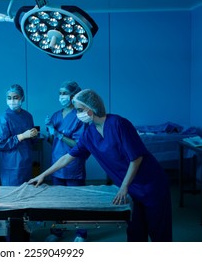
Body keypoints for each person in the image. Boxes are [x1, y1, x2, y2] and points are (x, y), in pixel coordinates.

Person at [29, 89, 172, 242]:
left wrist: (124, 187)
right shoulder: (89, 134)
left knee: (159, 233)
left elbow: (136, 158)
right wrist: (43, 175)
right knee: (135, 232)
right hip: (131, 190)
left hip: (150, 184)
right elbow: (67, 157)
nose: (77, 114)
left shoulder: (118, 123)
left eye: (79, 110)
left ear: (90, 110)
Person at [44, 81, 87, 242]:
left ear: (74, 95)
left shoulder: (80, 116)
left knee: (76, 201)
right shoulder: (56, 115)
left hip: (73, 164)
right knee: (58, 201)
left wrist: (59, 134)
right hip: (57, 163)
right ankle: (57, 231)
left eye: (65, 93)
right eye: (60, 93)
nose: (62, 96)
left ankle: (81, 233)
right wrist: (49, 131)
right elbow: (52, 142)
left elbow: (79, 145)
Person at [0, 84, 38, 186]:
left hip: (26, 163)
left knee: (26, 193)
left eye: (15, 97)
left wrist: (33, 135)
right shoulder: (3, 118)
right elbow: (1, 143)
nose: (12, 101)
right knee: (11, 196)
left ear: (22, 98)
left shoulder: (28, 116)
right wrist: (22, 136)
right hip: (11, 165)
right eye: (9, 98)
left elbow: (32, 142)